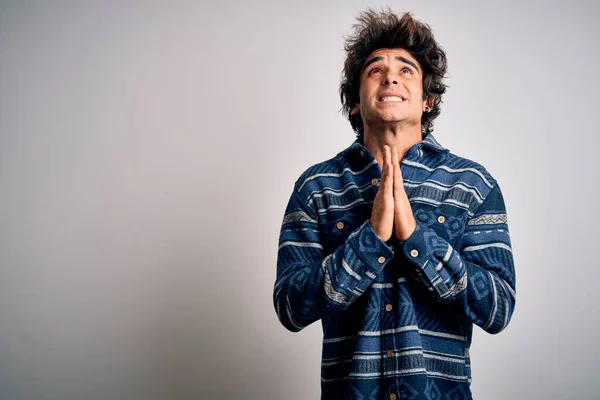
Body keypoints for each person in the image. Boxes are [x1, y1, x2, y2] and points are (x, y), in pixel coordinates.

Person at [273, 8, 516, 399]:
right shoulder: (316, 187)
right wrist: (369, 240)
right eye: (375, 70)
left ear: (428, 101)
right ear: (355, 103)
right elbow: (289, 306)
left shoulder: (473, 185)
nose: (390, 77)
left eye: (406, 70)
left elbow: (499, 308)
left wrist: (417, 239)